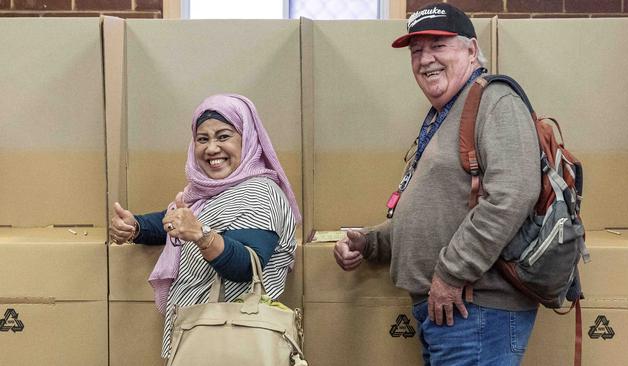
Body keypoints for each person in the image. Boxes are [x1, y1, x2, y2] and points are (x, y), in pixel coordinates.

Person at [333, 3, 541, 365]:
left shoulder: (495, 101)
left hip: (475, 311)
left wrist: (451, 272)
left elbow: (512, 195)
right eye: (416, 51)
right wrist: (370, 242)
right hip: (452, 310)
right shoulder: (444, 114)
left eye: (438, 46)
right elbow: (436, 211)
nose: (425, 58)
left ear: (472, 50)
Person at [109, 93, 301, 359]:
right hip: (203, 337)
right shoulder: (209, 195)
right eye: (202, 139)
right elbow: (175, 219)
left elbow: (247, 266)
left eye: (224, 137)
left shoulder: (259, 193)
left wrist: (200, 235)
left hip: (233, 340)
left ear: (248, 139)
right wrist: (136, 226)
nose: (211, 149)